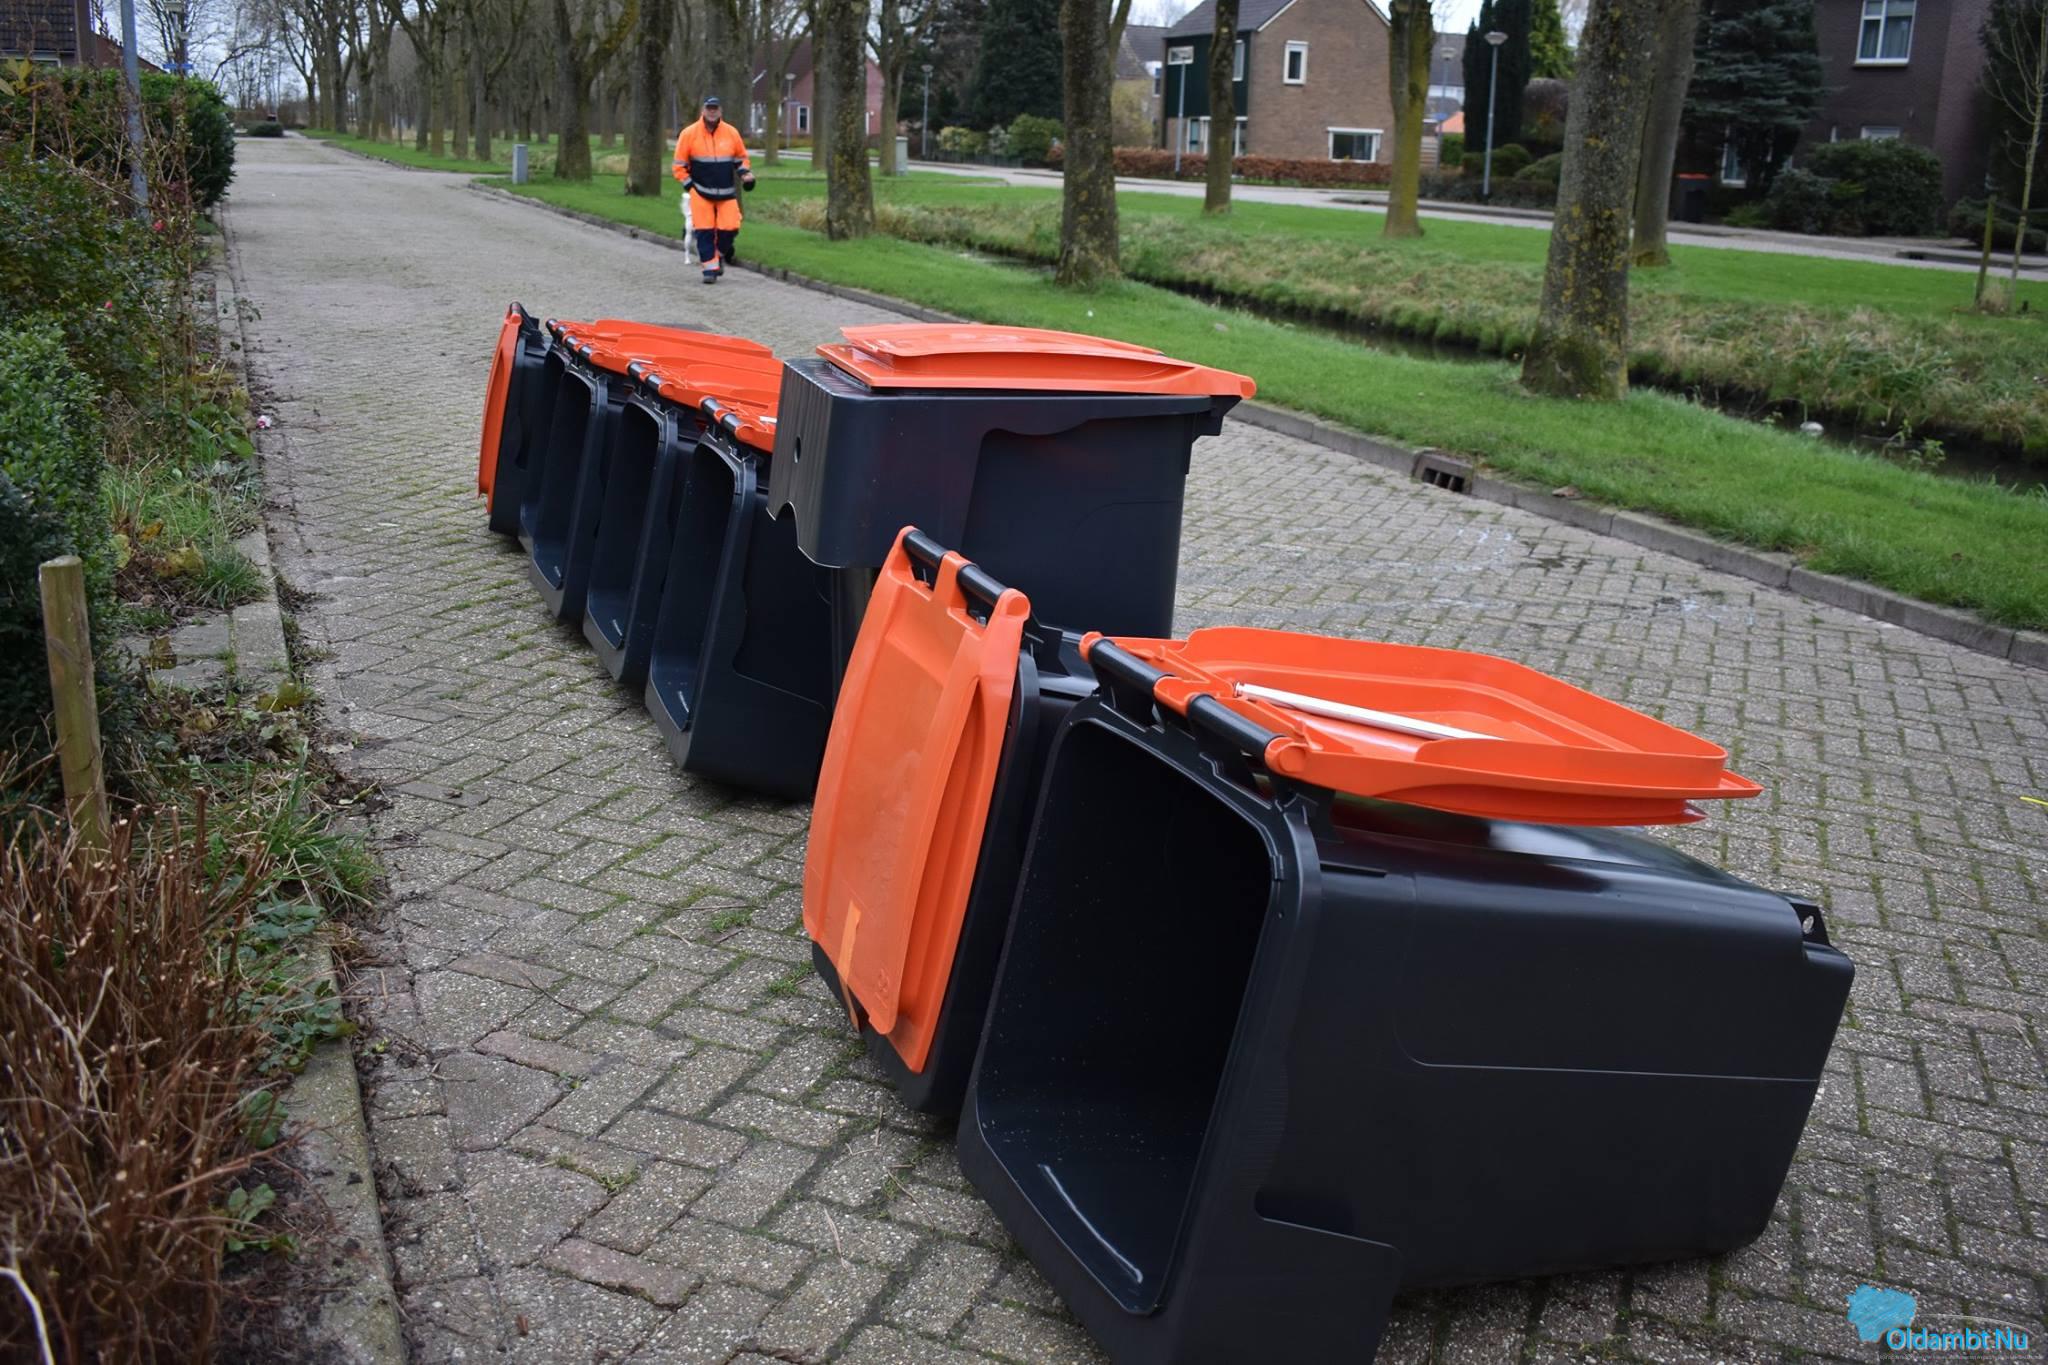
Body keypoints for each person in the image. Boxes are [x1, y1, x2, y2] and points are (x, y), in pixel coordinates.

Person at [672, 95, 755, 284]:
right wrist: (689, 185)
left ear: (720, 111)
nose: (712, 111)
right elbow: (679, 165)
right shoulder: (689, 134)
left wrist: (745, 174)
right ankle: (709, 270)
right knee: (704, 231)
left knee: (731, 226)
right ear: (703, 110)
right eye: (709, 108)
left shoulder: (731, 133)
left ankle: (717, 256)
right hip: (700, 191)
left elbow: (741, 158)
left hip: (726, 191)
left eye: (715, 108)